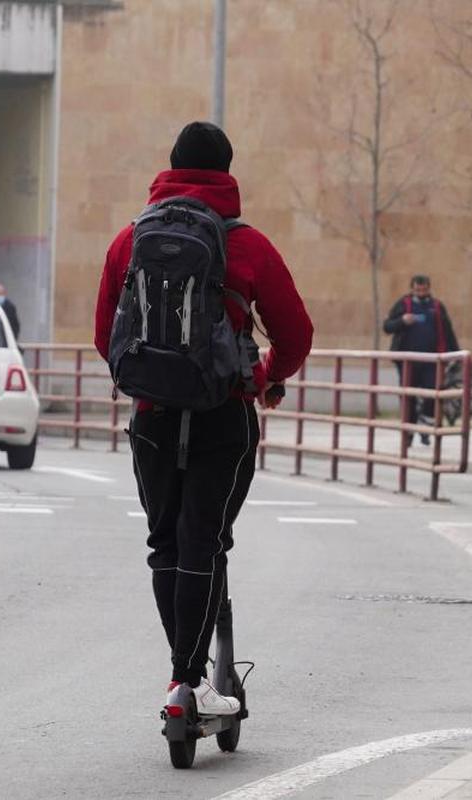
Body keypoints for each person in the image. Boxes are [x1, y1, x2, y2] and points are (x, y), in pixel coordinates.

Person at [94, 121, 313, 716]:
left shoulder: (129, 240)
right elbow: (296, 333)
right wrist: (267, 379)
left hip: (154, 419)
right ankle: (190, 683)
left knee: (165, 543)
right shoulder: (247, 245)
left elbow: (103, 335)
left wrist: (150, 379)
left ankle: (183, 681)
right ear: (227, 173)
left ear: (168, 168)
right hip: (224, 416)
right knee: (206, 543)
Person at [382, 275, 460, 446]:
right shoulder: (404, 304)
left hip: (432, 360)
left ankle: (425, 426)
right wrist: (402, 321)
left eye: (424, 290)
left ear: (429, 289)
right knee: (408, 396)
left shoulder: (437, 307)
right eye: (418, 290)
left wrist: (456, 354)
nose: (421, 293)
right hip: (407, 360)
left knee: (433, 392)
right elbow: (387, 326)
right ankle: (408, 431)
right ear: (412, 289)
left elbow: (448, 332)